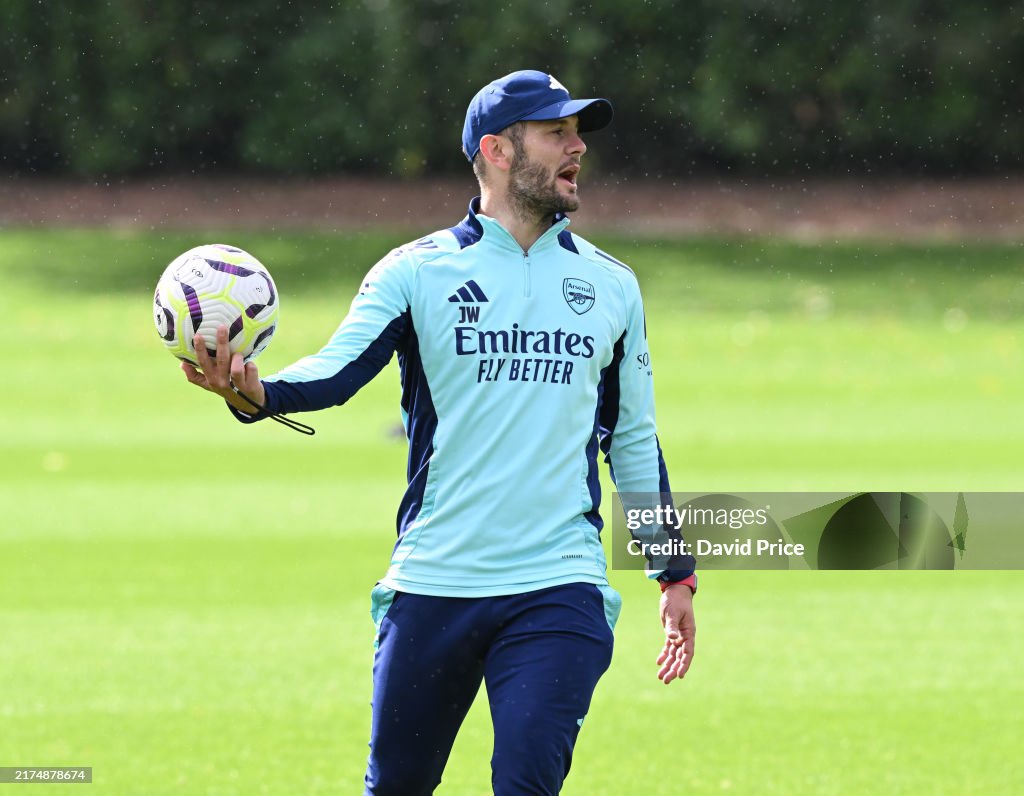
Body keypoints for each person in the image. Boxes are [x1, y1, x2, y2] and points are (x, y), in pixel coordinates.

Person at [182, 69, 697, 796]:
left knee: (526, 783)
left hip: (558, 585)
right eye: (557, 133)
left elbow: (634, 438)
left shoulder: (613, 286)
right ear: (496, 150)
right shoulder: (415, 271)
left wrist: (672, 570)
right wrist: (254, 392)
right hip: (434, 582)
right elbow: (336, 371)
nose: (578, 147)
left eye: (577, 132)